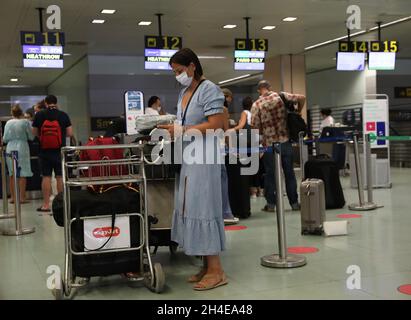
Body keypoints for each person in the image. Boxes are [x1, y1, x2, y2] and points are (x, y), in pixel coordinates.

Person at [158, 48, 227, 291]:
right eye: (174, 72)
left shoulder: (209, 89)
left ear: (192, 66)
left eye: (179, 71)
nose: (177, 75)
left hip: (205, 157)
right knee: (191, 206)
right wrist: (174, 127)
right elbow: (185, 122)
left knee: (204, 206)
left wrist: (184, 130)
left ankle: (217, 270)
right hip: (189, 156)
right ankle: (207, 265)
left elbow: (217, 124)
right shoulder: (184, 93)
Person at [251, 80, 306, 212]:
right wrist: (298, 111)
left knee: (271, 175)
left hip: (269, 145)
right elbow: (302, 98)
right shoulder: (281, 96)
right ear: (269, 87)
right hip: (285, 141)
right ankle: (294, 203)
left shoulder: (256, 104)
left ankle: (271, 205)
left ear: (259, 90)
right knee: (289, 173)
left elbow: (255, 127)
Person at [32, 95, 73, 212]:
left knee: (46, 177)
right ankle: (60, 204)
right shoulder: (63, 115)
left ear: (46, 103)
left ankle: (46, 205)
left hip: (44, 151)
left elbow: (34, 132)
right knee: (59, 177)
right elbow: (70, 133)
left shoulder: (39, 115)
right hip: (59, 151)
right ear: (56, 102)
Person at [228, 97, 264, 198]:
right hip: (256, 141)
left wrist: (232, 129)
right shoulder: (256, 113)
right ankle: (259, 190)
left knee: (248, 167)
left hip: (247, 142)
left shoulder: (245, 113)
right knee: (256, 166)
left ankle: (252, 192)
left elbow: (242, 125)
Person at [3, 105, 35, 204]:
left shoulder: (8, 123)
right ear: (21, 113)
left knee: (12, 173)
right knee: (22, 173)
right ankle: (22, 197)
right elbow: (31, 137)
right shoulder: (25, 122)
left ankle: (13, 197)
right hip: (22, 147)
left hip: (10, 147)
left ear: (12, 113)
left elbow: (5, 139)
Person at [222, 99, 239, 225]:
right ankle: (226, 213)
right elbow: (226, 132)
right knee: (222, 181)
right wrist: (232, 149)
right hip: (219, 150)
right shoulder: (222, 110)